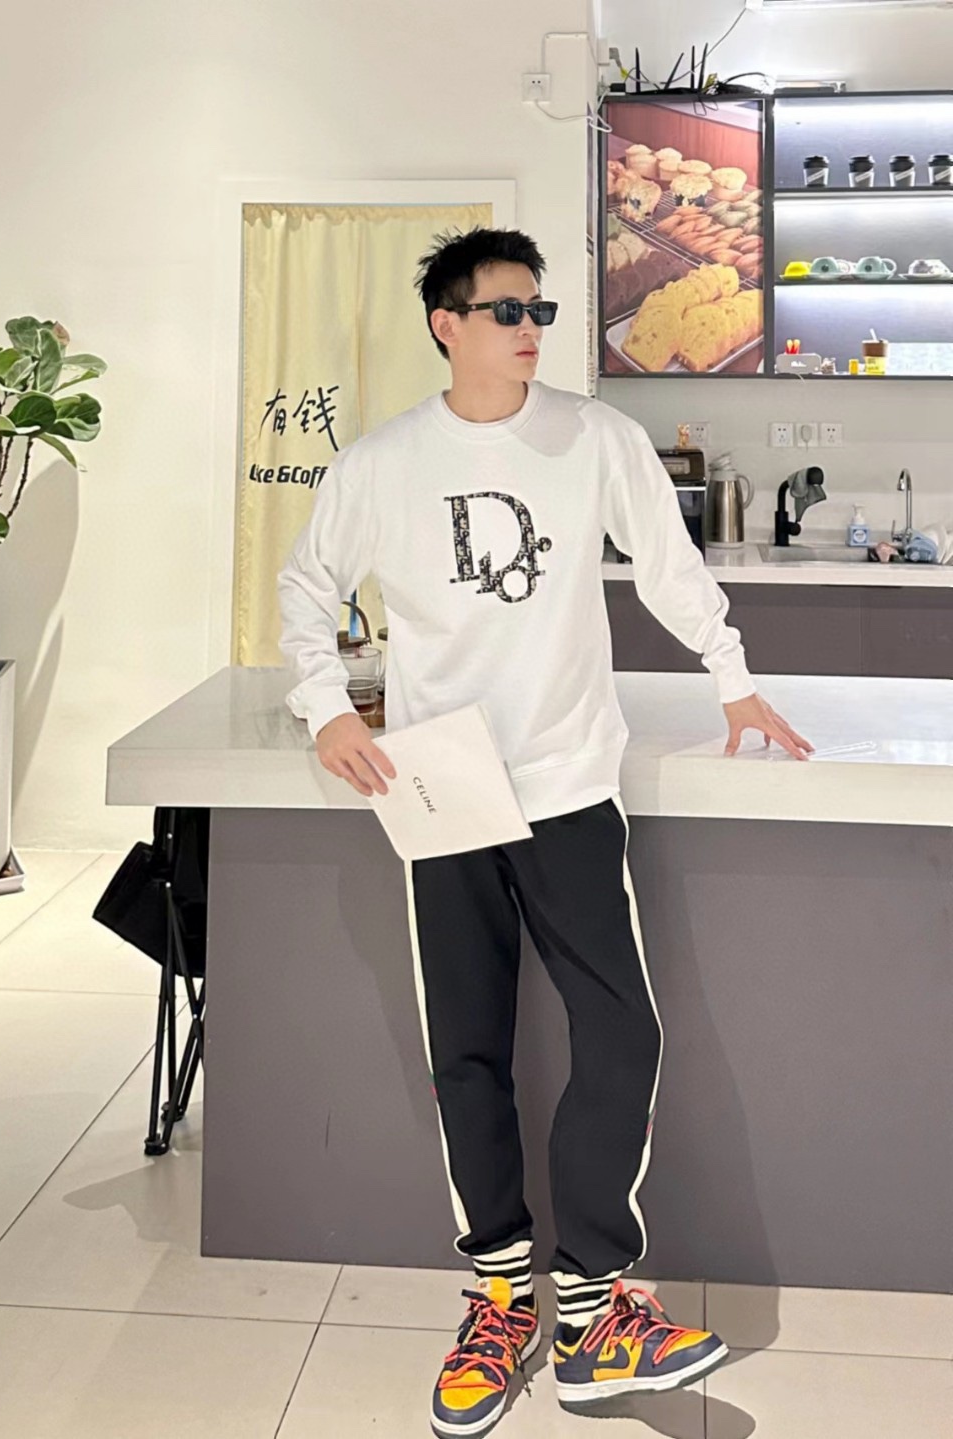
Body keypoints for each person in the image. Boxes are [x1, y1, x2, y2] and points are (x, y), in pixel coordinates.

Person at [277, 227, 814, 1437]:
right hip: (443, 783)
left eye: (541, 310)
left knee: (621, 1030)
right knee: (466, 1045)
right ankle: (499, 1296)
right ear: (447, 323)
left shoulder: (596, 437)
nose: (530, 330)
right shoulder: (383, 462)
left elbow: (668, 566)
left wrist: (733, 677)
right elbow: (308, 588)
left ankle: (590, 1304)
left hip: (568, 779)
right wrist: (325, 708)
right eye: (506, 310)